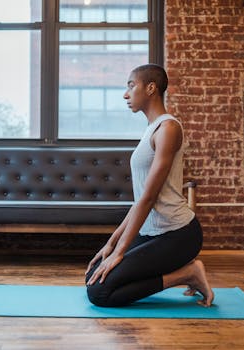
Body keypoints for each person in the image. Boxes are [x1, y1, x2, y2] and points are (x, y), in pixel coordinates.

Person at [85, 64, 214, 307]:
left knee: (100, 294)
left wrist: (120, 251)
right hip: (151, 231)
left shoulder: (169, 129)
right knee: (94, 280)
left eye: (131, 86)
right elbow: (141, 199)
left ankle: (187, 274)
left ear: (151, 88)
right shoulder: (151, 130)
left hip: (178, 235)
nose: (126, 94)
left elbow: (148, 198)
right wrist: (111, 243)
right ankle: (186, 273)